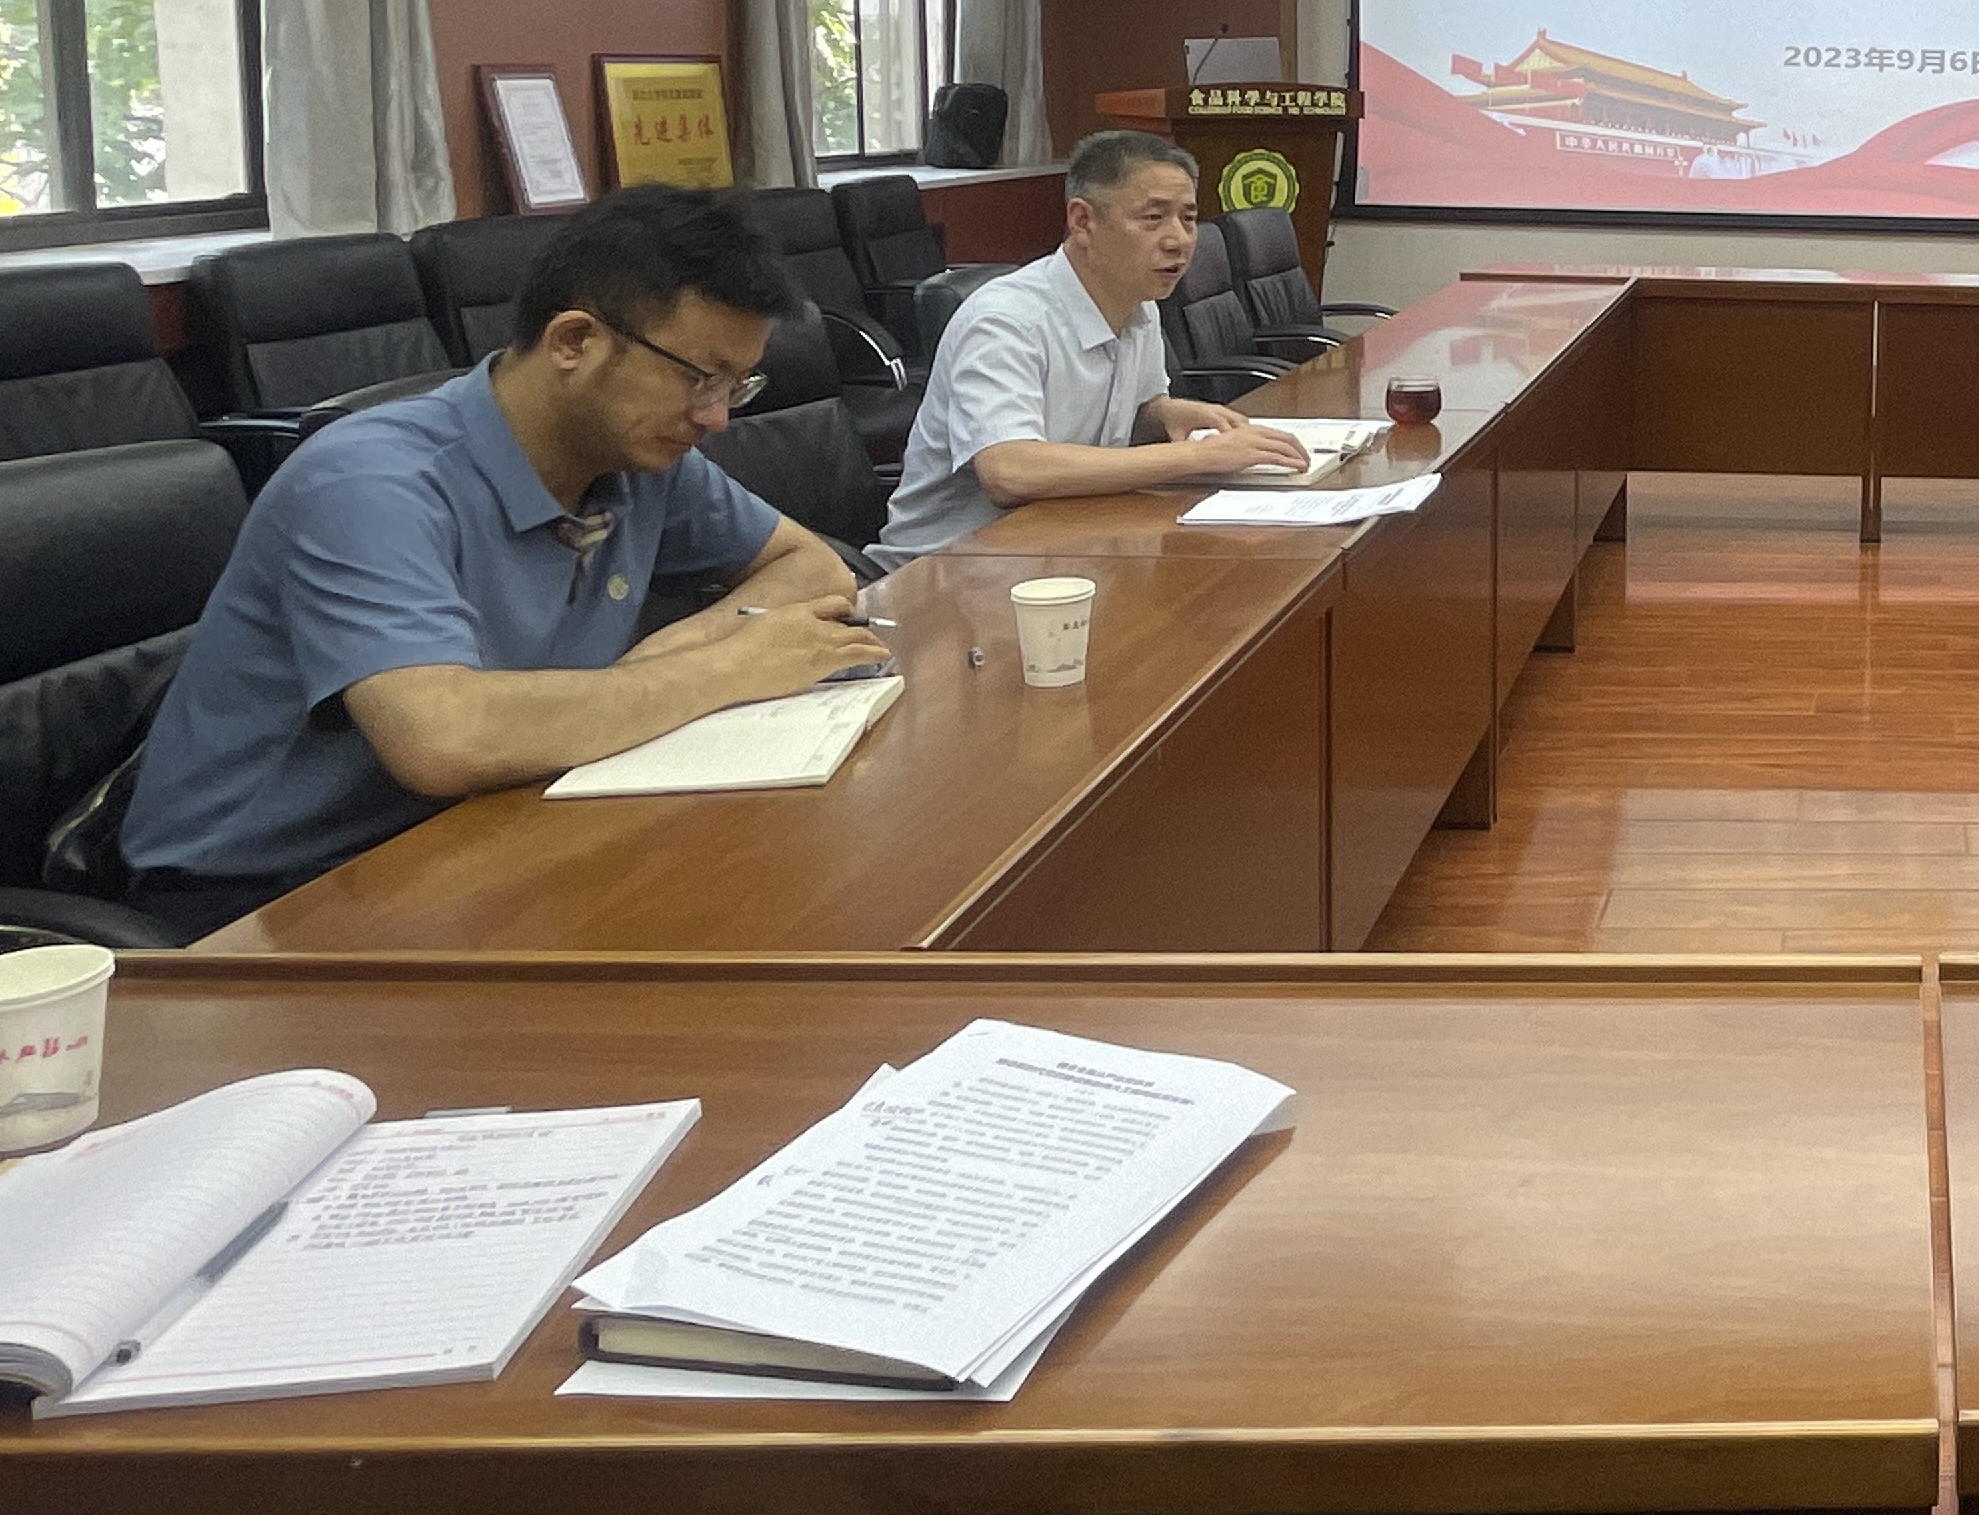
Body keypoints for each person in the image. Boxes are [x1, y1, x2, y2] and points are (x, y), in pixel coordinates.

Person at [120, 187, 893, 935]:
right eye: (699, 377)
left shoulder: (639, 458)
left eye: (736, 385)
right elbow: (441, 739)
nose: (716, 417)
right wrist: (724, 669)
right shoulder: (370, 481)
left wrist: (674, 654)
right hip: (263, 899)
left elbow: (813, 568)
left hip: (486, 825)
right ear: (574, 342)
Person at [879, 128, 1310, 558]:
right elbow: (1009, 471)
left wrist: (1166, 414)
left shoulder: (1139, 303)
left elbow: (1122, 418)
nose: (1178, 239)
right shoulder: (1005, 320)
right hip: (947, 566)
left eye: (1188, 218)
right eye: (1153, 218)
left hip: (1066, 540)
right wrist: (1199, 458)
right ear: (1083, 221)